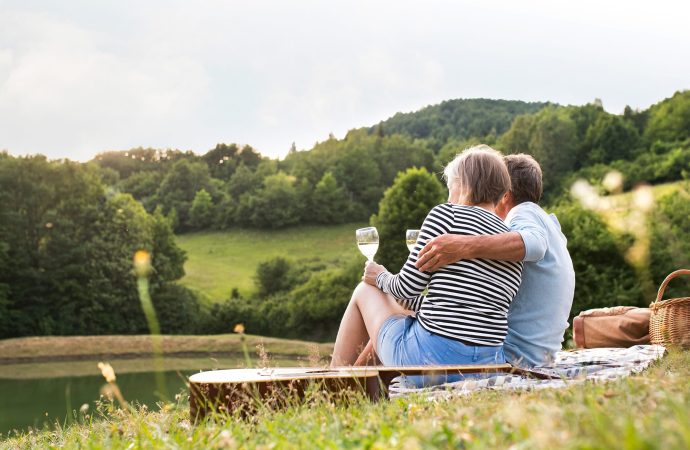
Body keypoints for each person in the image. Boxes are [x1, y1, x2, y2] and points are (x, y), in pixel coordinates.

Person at [330, 145, 523, 373]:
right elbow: (465, 308)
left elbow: (405, 288)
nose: (449, 196)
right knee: (402, 310)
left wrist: (379, 276)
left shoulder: (446, 215)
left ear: (462, 184)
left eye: (450, 187)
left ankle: (332, 381)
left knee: (364, 291)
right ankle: (353, 387)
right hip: (486, 364)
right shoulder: (509, 240)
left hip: (429, 361)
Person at [415, 153, 575, 367]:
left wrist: (463, 246)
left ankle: (360, 383)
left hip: (514, 357)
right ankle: (359, 382)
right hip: (538, 356)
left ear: (506, 195)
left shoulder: (522, 213)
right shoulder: (548, 223)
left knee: (401, 308)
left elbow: (534, 244)